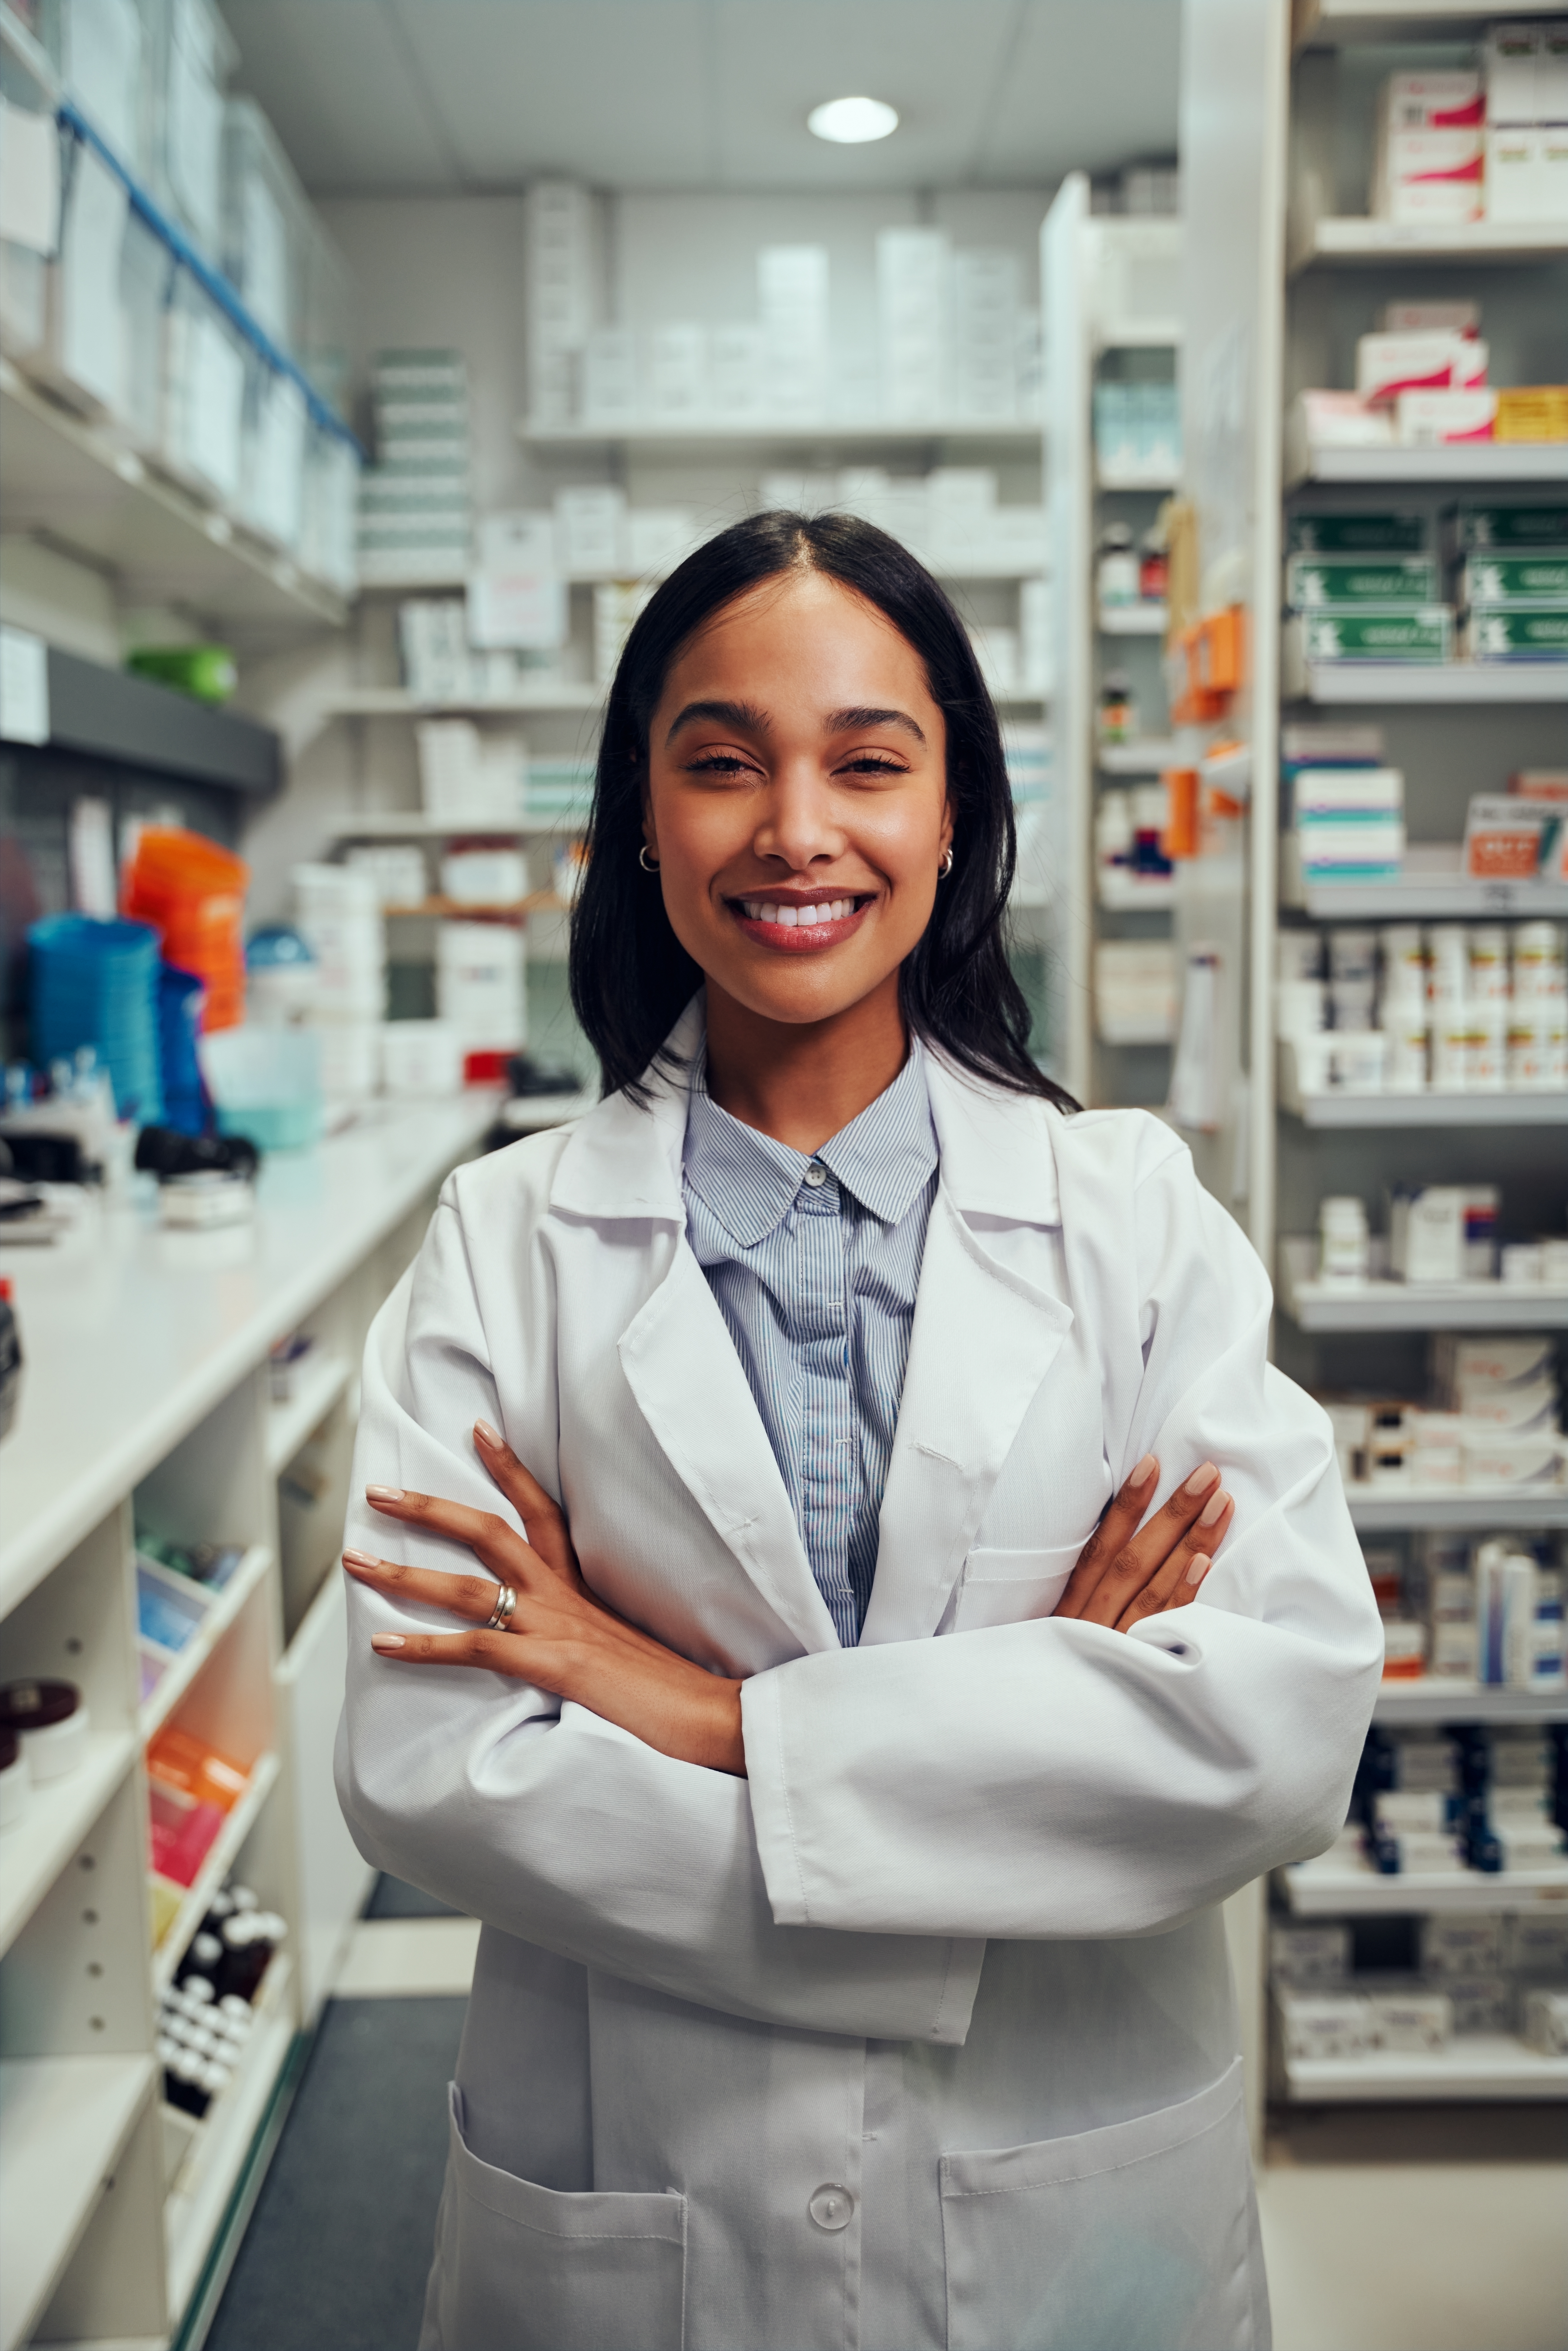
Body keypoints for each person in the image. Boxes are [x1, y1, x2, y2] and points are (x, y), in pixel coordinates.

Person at [335, 512, 1382, 2351]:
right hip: (647, 2188)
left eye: (867, 763)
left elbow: (1278, 1724)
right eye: (721, 761)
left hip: (1061, 2195)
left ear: (959, 815)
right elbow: (430, 1760)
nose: (794, 829)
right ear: (639, 818)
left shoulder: (1128, 1220)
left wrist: (685, 1706)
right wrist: (1024, 1755)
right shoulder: (502, 1243)